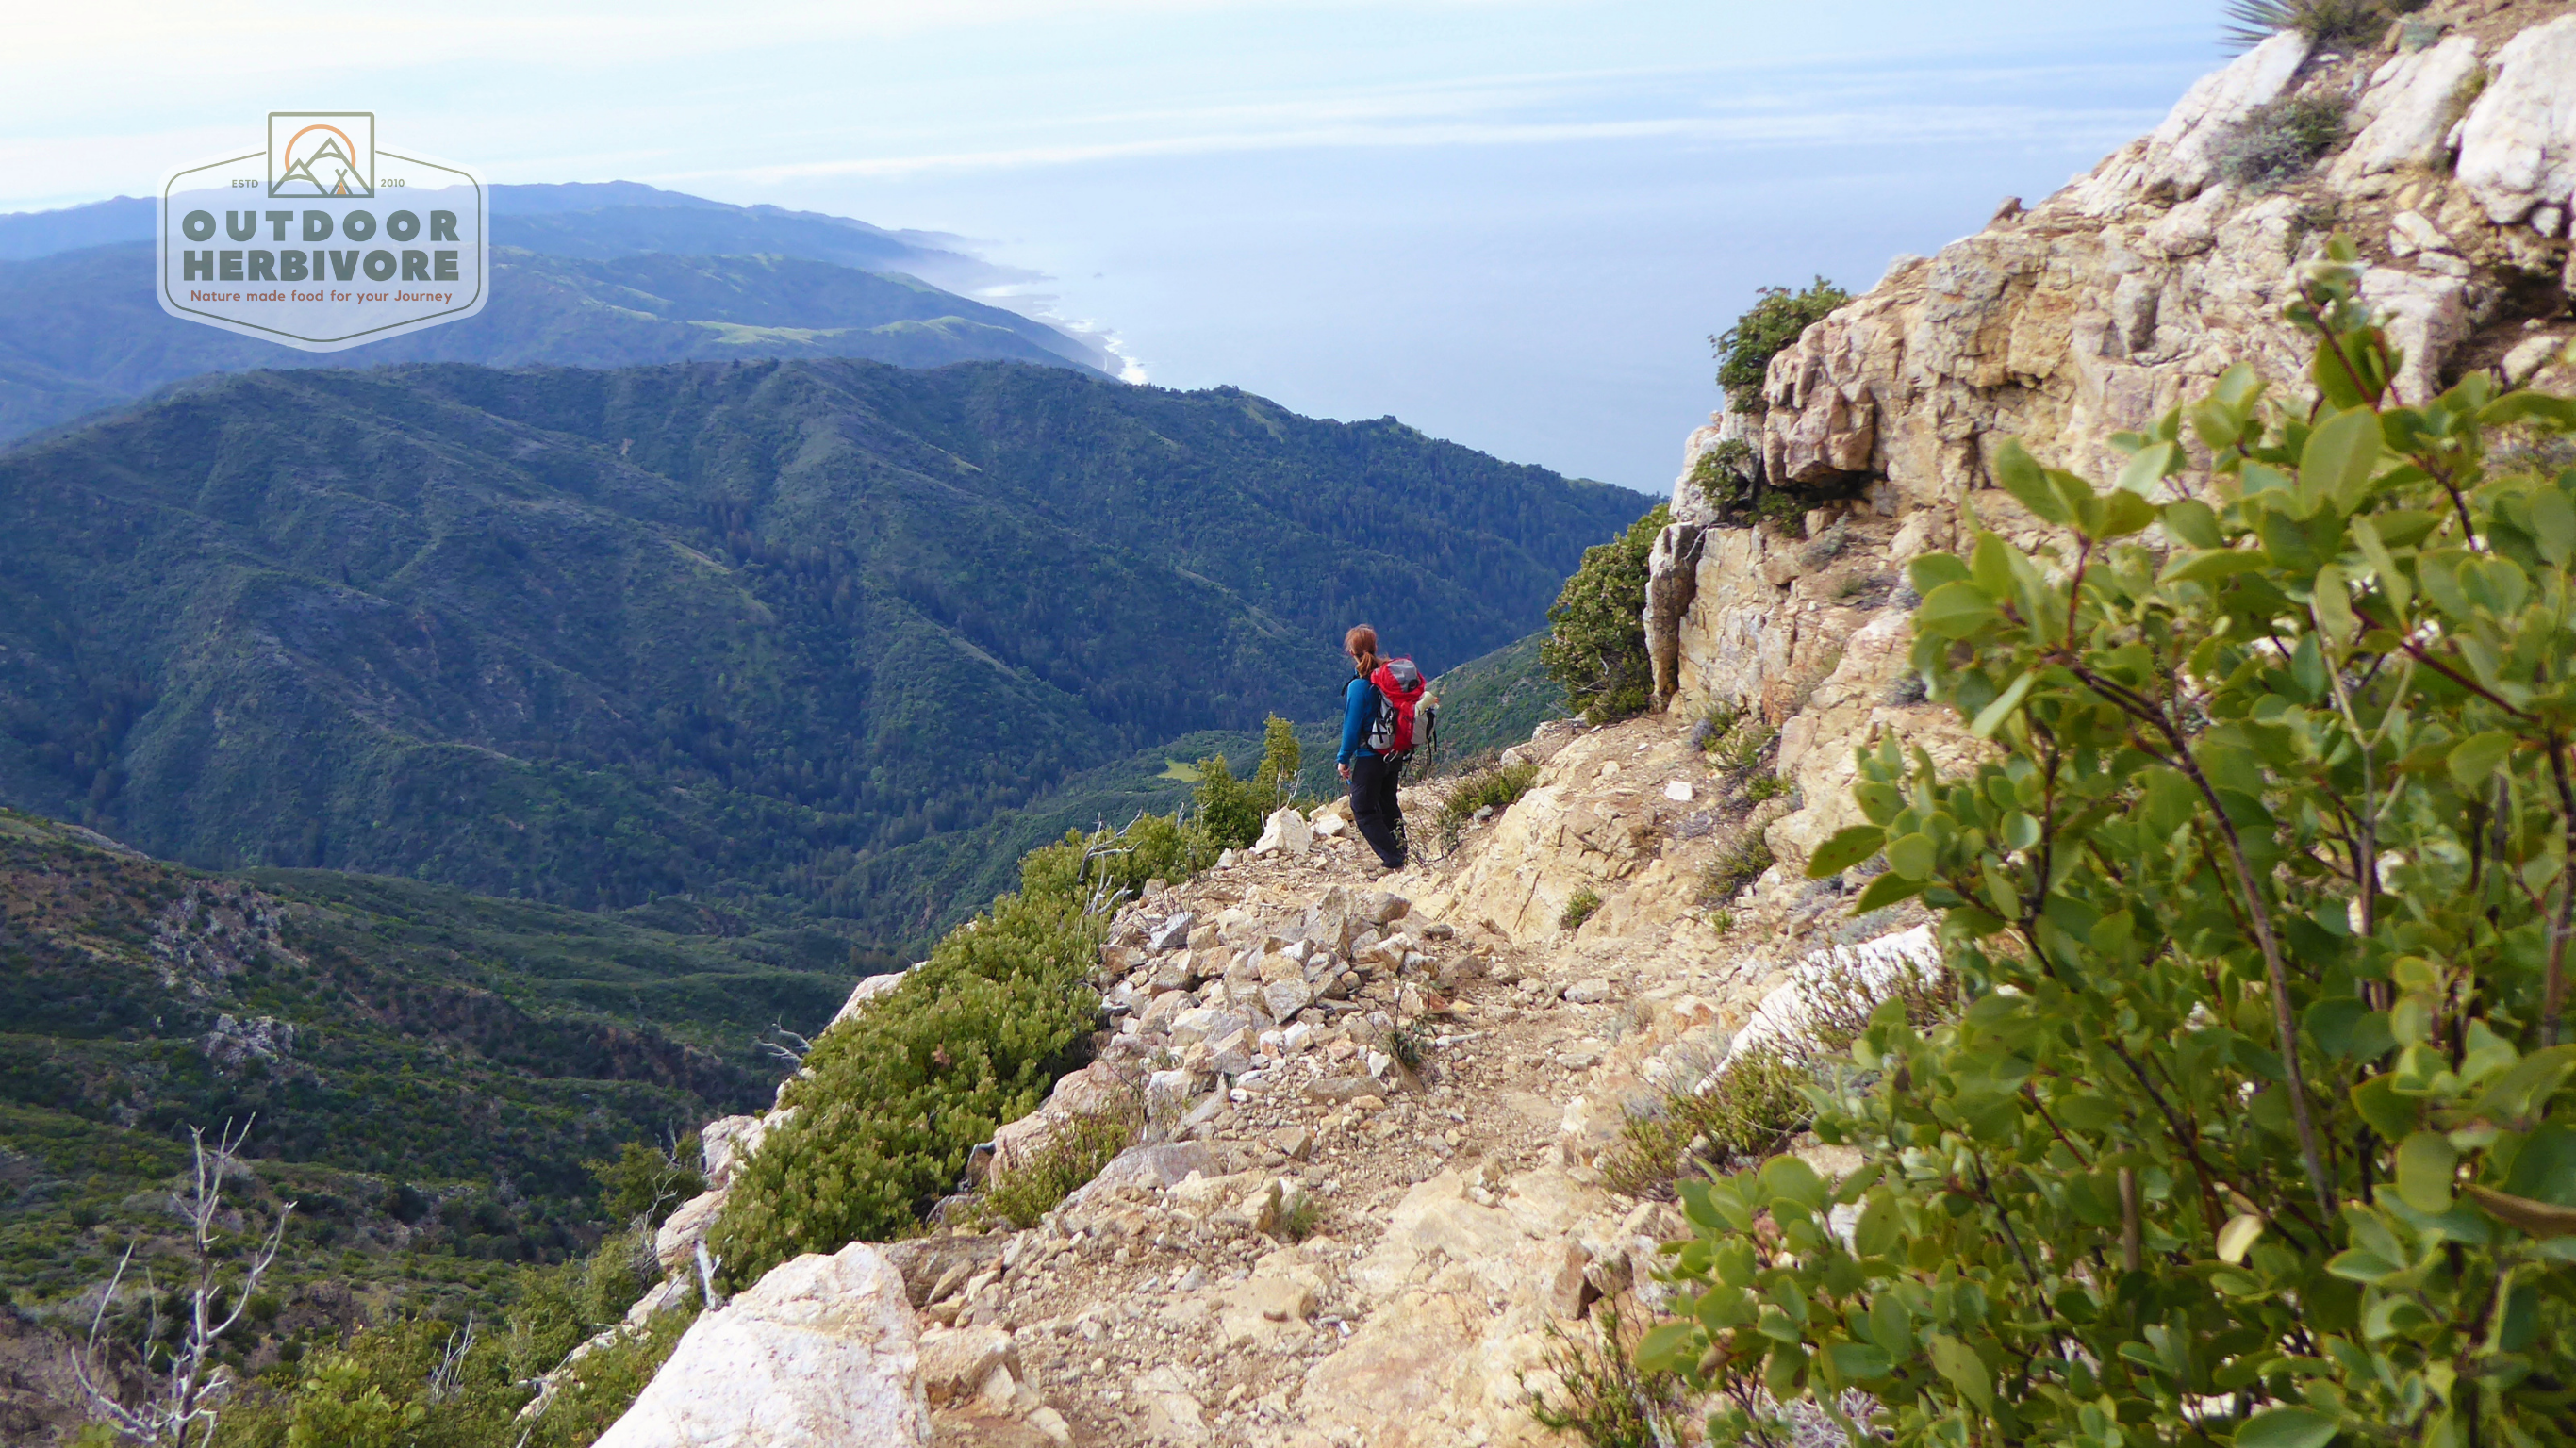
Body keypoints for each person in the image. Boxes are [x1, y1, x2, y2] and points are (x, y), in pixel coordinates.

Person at [1337, 624, 1412, 873]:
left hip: (1371, 756)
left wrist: (1343, 758)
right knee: (1387, 801)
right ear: (1374, 648)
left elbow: (1351, 727)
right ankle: (1402, 852)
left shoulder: (1359, 686)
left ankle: (1392, 859)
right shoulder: (1387, 678)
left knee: (1362, 808)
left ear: (1351, 652)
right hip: (1394, 752)